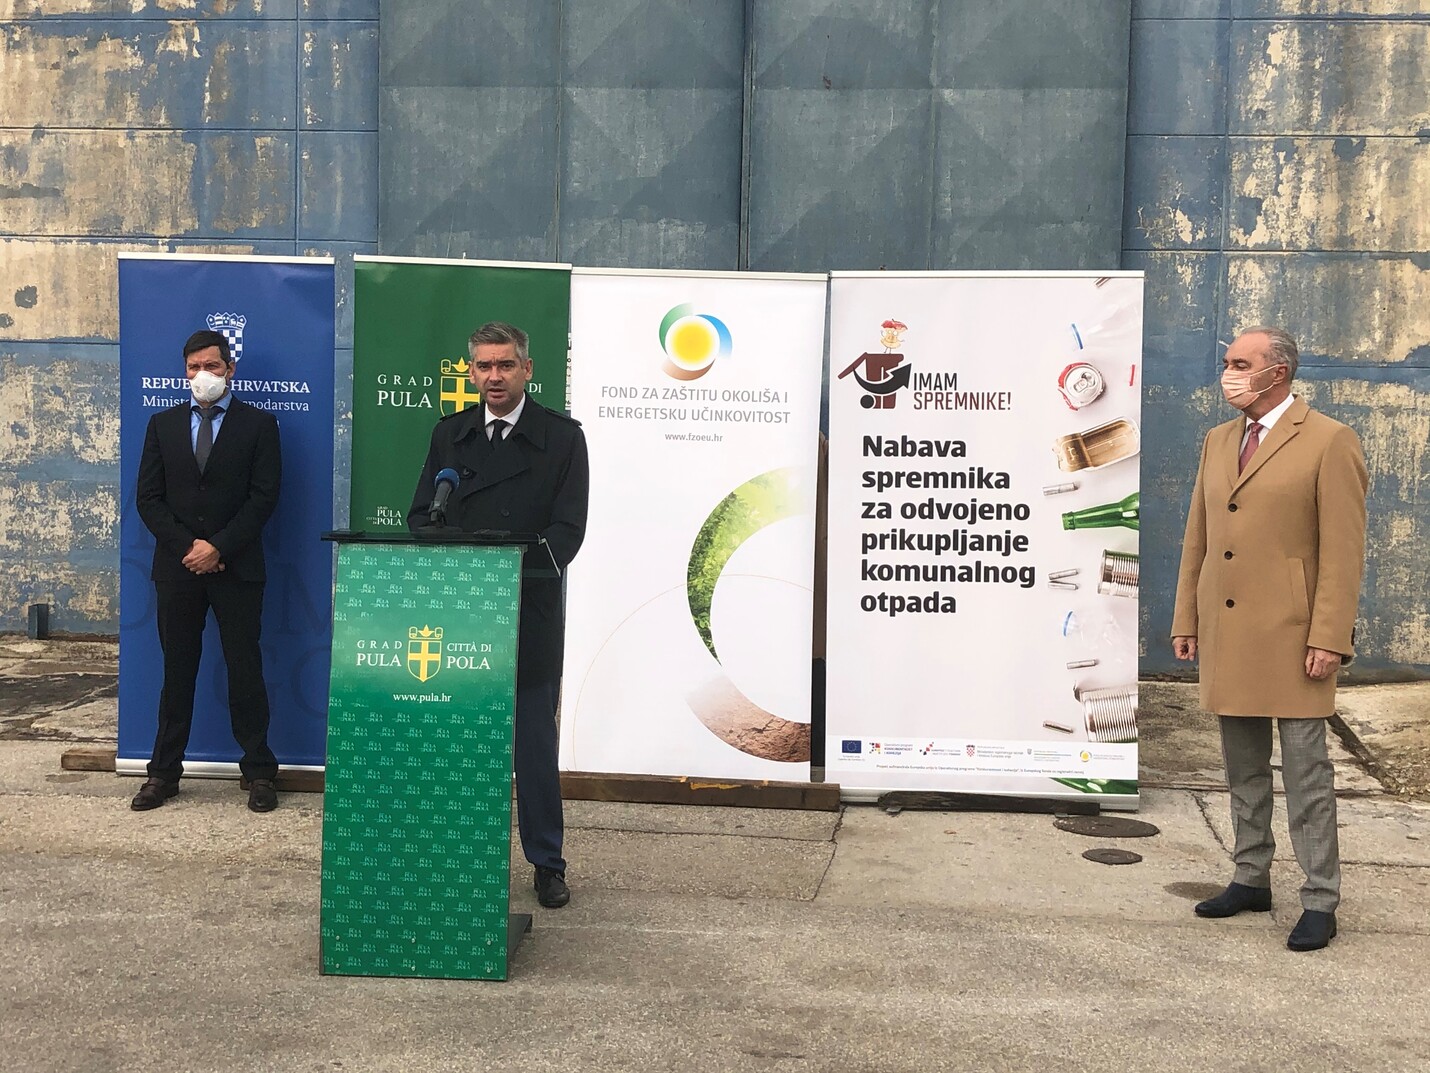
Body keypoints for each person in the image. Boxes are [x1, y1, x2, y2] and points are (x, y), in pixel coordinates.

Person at [1171, 326, 1368, 951]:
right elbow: (1199, 535)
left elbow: (1344, 551)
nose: (1228, 373)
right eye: (1228, 362)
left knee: (1307, 774)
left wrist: (1329, 636)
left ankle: (1320, 898)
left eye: (1239, 363)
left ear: (1276, 372)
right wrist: (1187, 618)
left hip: (1294, 633)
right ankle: (1250, 876)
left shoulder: (1330, 440)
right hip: (1229, 628)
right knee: (1243, 767)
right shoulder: (1218, 439)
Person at [407, 321, 589, 909]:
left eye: (505, 365)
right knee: (460, 744)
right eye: (484, 366)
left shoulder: (562, 438)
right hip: (462, 616)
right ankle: (458, 856)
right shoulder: (450, 435)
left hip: (527, 614)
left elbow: (568, 529)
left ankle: (547, 863)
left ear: (526, 370)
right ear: (471, 373)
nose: (494, 376)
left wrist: (511, 569)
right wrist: (457, 560)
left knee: (532, 747)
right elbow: (420, 516)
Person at [133, 329, 283, 813]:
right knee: (177, 672)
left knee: (245, 669)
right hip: (178, 569)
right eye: (194, 367)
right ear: (184, 372)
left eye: (212, 366)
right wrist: (190, 548)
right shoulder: (162, 425)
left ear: (230, 369)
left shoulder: (259, 425)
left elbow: (264, 497)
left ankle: (259, 772)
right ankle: (163, 774)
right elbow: (148, 498)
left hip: (237, 568)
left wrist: (218, 547)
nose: (203, 375)